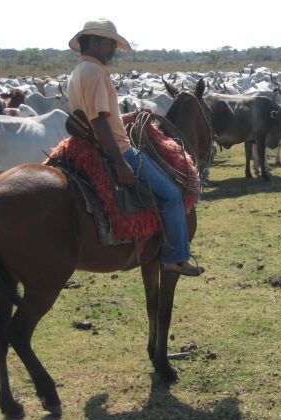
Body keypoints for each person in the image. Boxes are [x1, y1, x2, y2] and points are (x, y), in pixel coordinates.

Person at [67, 18, 204, 277]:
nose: (113, 50)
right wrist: (120, 162)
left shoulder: (79, 71)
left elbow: (97, 115)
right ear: (93, 42)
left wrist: (126, 119)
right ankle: (175, 257)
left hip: (89, 144)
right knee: (173, 194)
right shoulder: (96, 72)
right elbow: (96, 119)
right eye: (109, 44)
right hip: (119, 149)